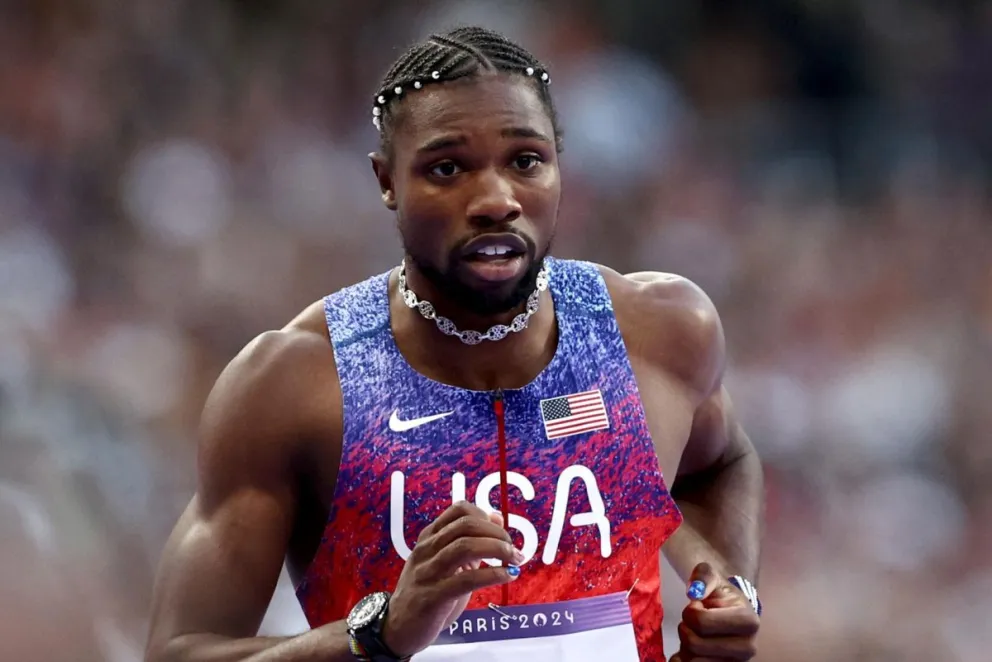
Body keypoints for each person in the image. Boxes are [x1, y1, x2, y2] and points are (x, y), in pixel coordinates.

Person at [145, 26, 763, 662]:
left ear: (559, 166)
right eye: (447, 168)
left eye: (526, 160)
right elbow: (179, 652)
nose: (496, 200)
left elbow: (721, 464)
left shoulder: (661, 333)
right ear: (387, 181)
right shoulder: (294, 383)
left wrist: (725, 582)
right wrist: (377, 634)